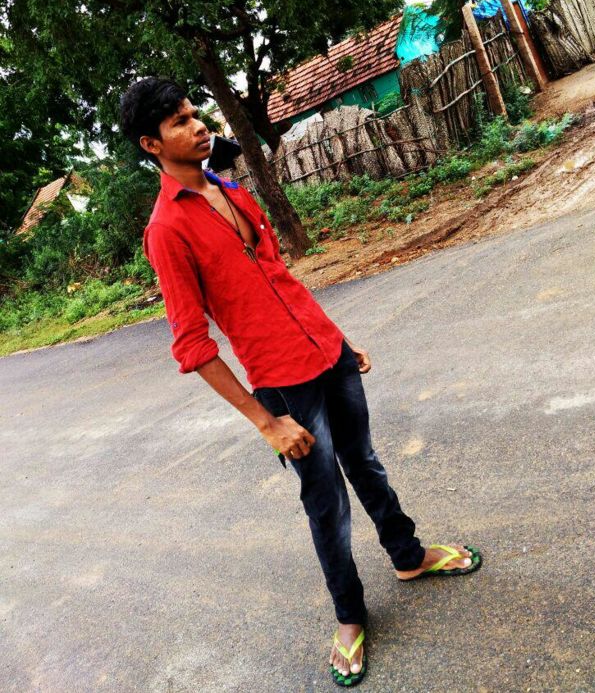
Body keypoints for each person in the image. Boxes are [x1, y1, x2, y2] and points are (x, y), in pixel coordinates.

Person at [120, 77, 482, 687]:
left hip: (327, 353)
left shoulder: (230, 189)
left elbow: (279, 280)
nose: (198, 125)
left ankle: (409, 556)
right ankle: (349, 617)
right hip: (282, 384)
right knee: (326, 503)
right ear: (151, 145)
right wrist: (268, 424)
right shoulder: (167, 229)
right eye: (179, 122)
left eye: (193, 113)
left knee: (366, 464)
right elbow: (193, 345)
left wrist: (336, 337)